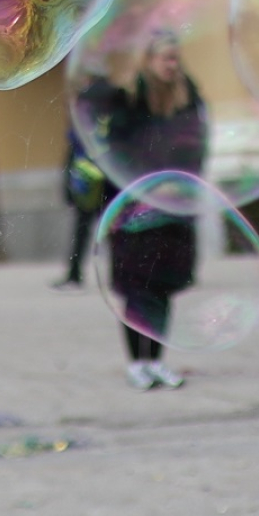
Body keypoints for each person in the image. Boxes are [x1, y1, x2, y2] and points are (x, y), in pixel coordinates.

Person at [94, 29, 206, 391]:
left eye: (176, 58)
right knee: (135, 289)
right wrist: (147, 186)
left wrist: (184, 183)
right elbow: (117, 155)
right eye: (166, 58)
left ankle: (157, 361)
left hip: (172, 213)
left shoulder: (188, 99)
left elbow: (196, 149)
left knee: (161, 289)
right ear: (149, 60)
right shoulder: (128, 101)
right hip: (133, 213)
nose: (172, 65)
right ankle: (136, 363)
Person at [52, 127, 108, 290]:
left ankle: (117, 275)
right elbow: (71, 159)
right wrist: (68, 188)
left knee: (111, 230)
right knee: (82, 230)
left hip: (104, 185)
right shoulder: (79, 129)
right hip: (86, 186)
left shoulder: (91, 123)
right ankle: (74, 273)